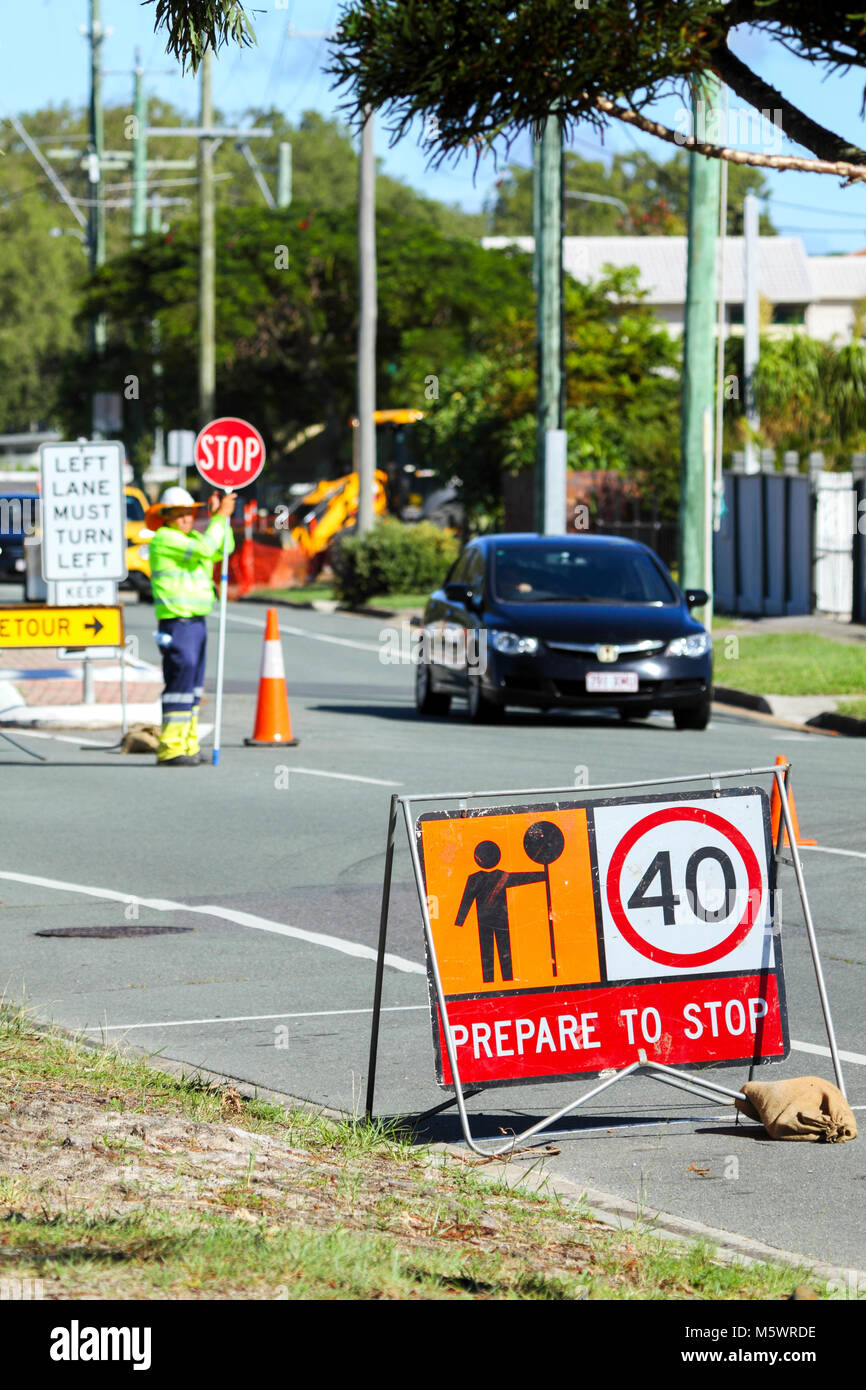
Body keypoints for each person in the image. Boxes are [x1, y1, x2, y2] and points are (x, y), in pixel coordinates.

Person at [148, 485, 235, 766]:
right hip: (177, 623)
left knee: (193, 689)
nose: (187, 519)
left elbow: (224, 547)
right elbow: (207, 548)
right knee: (179, 685)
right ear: (166, 516)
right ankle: (171, 748)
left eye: (190, 513)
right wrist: (219, 518)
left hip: (196, 622)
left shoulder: (194, 537)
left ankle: (188, 745)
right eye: (180, 514)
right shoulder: (164, 539)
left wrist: (219, 518)